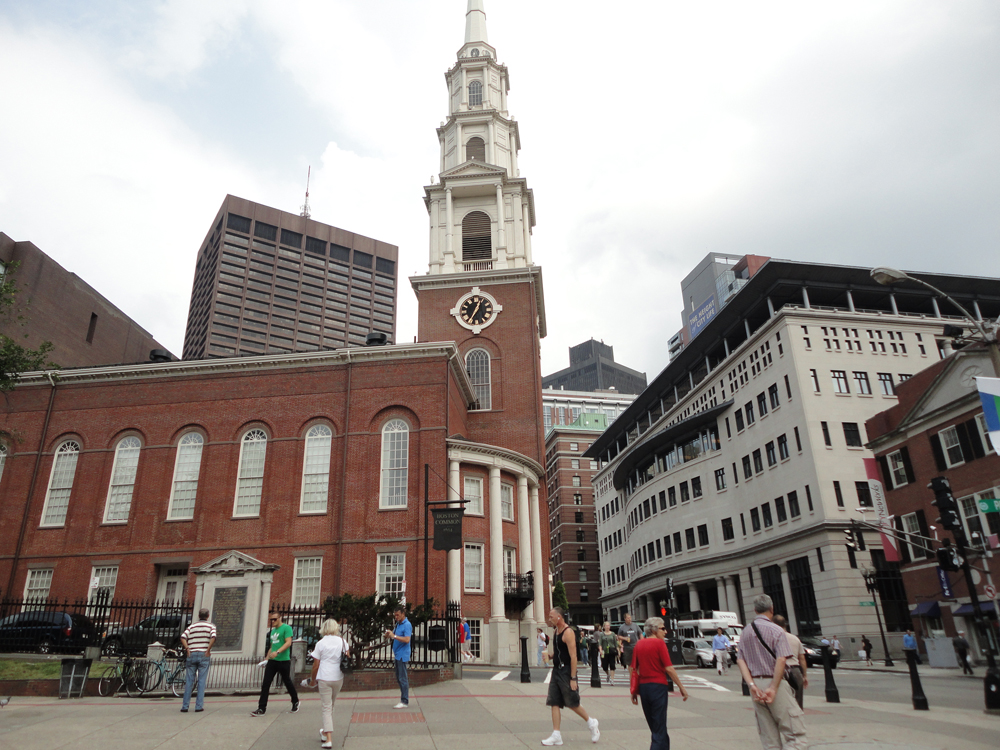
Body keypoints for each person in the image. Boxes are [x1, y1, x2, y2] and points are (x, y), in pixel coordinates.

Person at [736, 594, 807, 750]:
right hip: (776, 682)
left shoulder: (746, 632)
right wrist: (773, 687)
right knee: (796, 735)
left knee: (769, 738)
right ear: (771, 608)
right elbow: (781, 659)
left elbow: (740, 660)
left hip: (756, 683)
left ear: (755, 610)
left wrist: (751, 685)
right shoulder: (777, 630)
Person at [541, 607, 600, 746]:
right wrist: (550, 656)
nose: (549, 619)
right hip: (556, 670)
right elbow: (559, 651)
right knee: (554, 701)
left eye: (551, 616)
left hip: (566, 671)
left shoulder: (568, 632)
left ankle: (591, 723)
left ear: (559, 617)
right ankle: (556, 735)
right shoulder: (556, 631)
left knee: (572, 702)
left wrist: (573, 678)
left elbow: (573, 656)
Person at [630, 616, 689, 750]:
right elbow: (669, 668)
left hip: (644, 688)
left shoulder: (639, 644)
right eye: (663, 628)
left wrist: (633, 691)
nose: (665, 631)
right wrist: (681, 687)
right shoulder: (660, 644)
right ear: (654, 630)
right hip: (658, 687)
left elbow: (634, 669)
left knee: (656, 727)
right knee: (659, 728)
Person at [306, 619, 349, 750]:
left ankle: (328, 739)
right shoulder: (343, 641)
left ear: (324, 628)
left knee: (326, 707)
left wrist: (312, 680)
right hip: (338, 677)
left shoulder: (320, 643)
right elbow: (347, 657)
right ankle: (325, 732)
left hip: (324, 677)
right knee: (331, 705)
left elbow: (315, 665)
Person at [251, 611, 299, 716]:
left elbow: (288, 642)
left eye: (274, 619)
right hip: (272, 661)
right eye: (271, 620)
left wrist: (277, 652)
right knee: (266, 684)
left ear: (280, 618)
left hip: (283, 660)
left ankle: (295, 701)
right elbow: (272, 647)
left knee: (287, 682)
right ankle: (261, 708)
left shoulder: (286, 628)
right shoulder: (273, 631)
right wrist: (266, 659)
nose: (272, 621)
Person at [179, 608, 216, 713]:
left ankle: (185, 706)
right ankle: (198, 706)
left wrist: (187, 648)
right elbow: (213, 637)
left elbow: (183, 637)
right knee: (201, 681)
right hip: (203, 654)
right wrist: (208, 649)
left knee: (189, 681)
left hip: (192, 653)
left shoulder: (192, 626)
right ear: (208, 616)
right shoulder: (211, 626)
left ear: (199, 616)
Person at [773, 615, 807, 710]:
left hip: (780, 670)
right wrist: (804, 675)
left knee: (781, 700)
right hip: (796, 670)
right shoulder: (795, 638)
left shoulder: (773, 638)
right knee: (797, 700)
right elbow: (802, 659)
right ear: (785, 624)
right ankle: (798, 715)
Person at [385, 605, 412, 708]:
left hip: (402, 654)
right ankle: (403, 699)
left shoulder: (407, 625)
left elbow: (407, 639)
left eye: (397, 615)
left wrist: (394, 636)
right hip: (397, 654)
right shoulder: (398, 624)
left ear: (403, 614)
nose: (396, 617)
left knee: (402, 678)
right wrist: (389, 634)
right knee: (399, 677)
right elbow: (395, 636)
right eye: (395, 615)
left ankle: (404, 701)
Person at [598, 621, 619, 686]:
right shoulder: (601, 634)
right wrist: (600, 650)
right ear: (604, 627)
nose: (607, 627)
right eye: (606, 626)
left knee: (612, 665)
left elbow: (615, 643)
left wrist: (618, 651)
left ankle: (612, 680)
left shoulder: (613, 634)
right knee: (604, 666)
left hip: (612, 651)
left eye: (608, 625)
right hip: (604, 651)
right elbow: (600, 643)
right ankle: (608, 674)